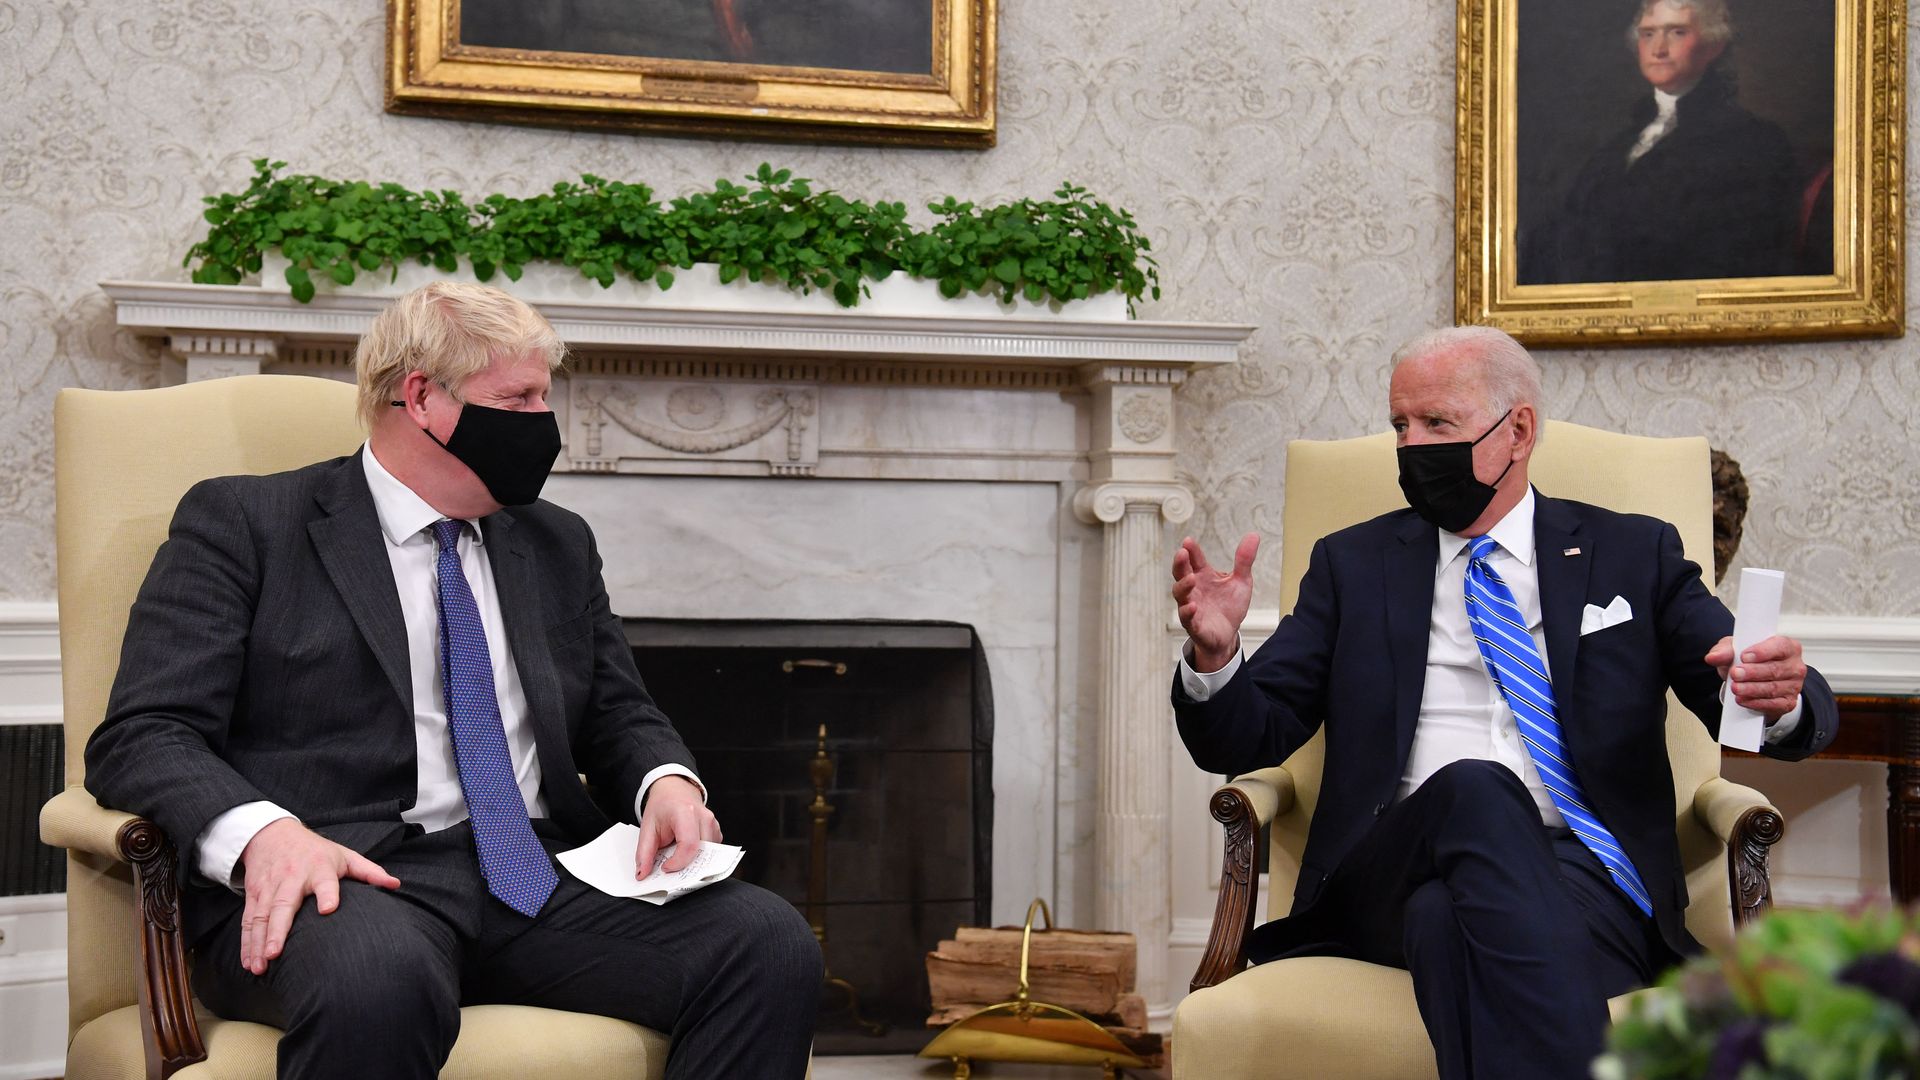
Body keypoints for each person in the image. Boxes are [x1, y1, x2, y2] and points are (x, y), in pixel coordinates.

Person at [84, 282, 822, 1080]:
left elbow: (615, 709)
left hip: (534, 876)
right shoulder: (249, 524)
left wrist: (665, 785)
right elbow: (146, 733)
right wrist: (266, 835)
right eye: (521, 398)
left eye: (547, 395)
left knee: (765, 943)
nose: (546, 422)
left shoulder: (555, 542)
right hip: (347, 875)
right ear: (422, 398)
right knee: (377, 982)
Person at [1169, 325, 1837, 1079]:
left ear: (1517, 430)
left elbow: (1739, 684)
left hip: (1586, 878)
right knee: (1476, 789)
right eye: (1400, 425)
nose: (1411, 446)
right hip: (1388, 869)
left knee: (1446, 921)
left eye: (1437, 425)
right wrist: (1217, 657)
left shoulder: (1633, 553)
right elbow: (1246, 735)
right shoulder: (1352, 564)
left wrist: (1774, 697)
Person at [1523, 0, 1807, 284]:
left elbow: (1736, 255)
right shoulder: (1618, 146)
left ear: (1713, 44)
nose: (1658, 49)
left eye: (1677, 32)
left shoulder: (1754, 142)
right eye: (1648, 34)